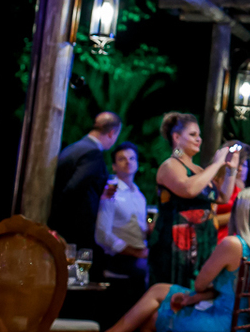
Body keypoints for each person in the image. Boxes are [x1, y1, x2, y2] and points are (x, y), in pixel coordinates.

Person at [78, 188, 250, 332]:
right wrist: (197, 297)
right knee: (159, 290)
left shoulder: (232, 244)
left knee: (151, 321)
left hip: (225, 325)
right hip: (242, 325)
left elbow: (201, 283)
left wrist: (200, 293)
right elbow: (236, 289)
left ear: (237, 211)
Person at [148, 112, 239, 287]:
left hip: (202, 242)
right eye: (192, 135)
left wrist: (231, 170)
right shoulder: (170, 166)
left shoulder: (198, 170)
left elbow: (221, 197)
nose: (199, 139)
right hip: (177, 245)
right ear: (176, 137)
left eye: (199, 135)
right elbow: (188, 189)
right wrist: (216, 164)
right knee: (174, 295)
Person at [50, 112, 122, 261]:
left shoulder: (73, 148)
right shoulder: (92, 153)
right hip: (75, 229)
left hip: (60, 223)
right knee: (77, 277)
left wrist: (100, 192)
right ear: (112, 133)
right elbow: (74, 188)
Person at [96, 142, 150, 289]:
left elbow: (142, 226)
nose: (128, 162)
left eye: (132, 158)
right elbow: (102, 234)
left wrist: (150, 228)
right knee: (154, 271)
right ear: (114, 166)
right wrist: (134, 252)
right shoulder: (111, 192)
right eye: (122, 159)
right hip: (118, 258)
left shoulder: (139, 196)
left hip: (139, 256)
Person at [215, 141, 250, 242]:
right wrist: (236, 215)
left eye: (244, 165)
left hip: (234, 241)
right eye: (239, 164)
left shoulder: (240, 186)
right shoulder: (214, 182)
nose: (240, 169)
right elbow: (209, 220)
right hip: (215, 240)